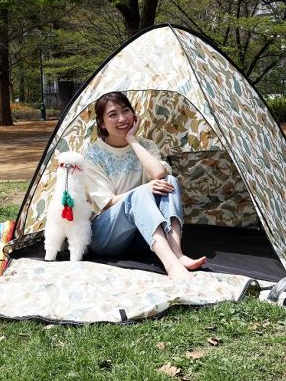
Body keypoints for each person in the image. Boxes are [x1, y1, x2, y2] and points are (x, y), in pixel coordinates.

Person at [83, 91, 206, 281]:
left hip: (143, 234)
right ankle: (172, 266)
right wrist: (142, 190)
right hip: (107, 237)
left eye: (126, 111)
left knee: (169, 181)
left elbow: (159, 174)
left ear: (134, 115)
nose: (122, 118)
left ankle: (178, 254)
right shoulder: (93, 155)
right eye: (113, 114)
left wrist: (132, 140)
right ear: (102, 123)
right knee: (140, 194)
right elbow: (106, 203)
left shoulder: (146, 146)